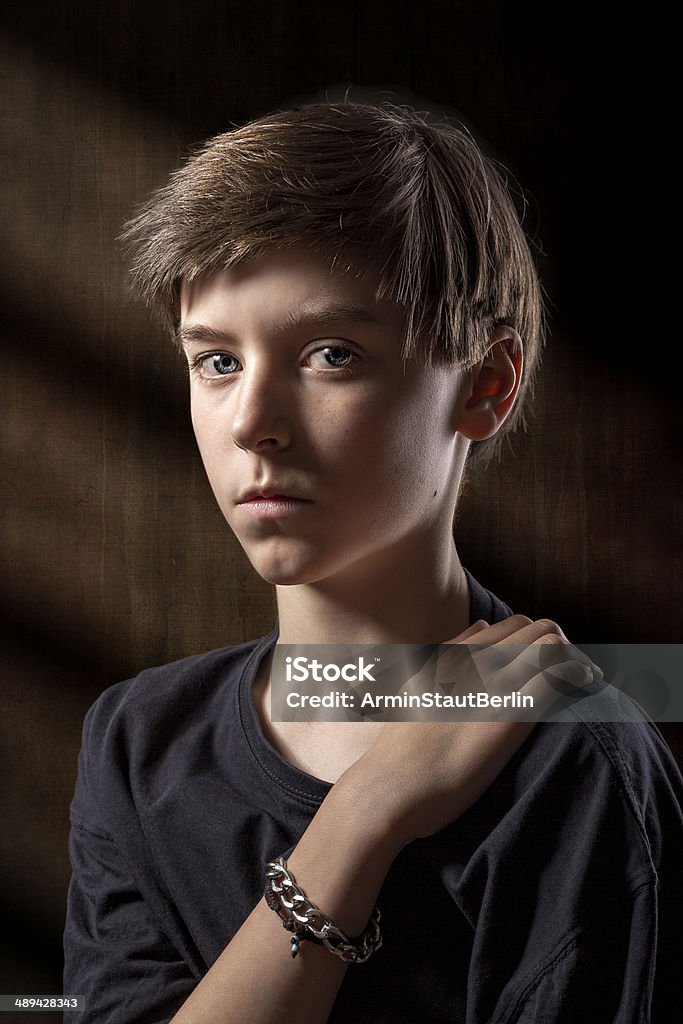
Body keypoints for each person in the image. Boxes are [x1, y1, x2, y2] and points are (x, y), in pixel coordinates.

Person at [63, 101, 682, 1023]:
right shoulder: (138, 742)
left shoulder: (573, 766)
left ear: (485, 384)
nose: (251, 423)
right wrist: (365, 813)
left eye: (329, 354)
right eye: (217, 362)